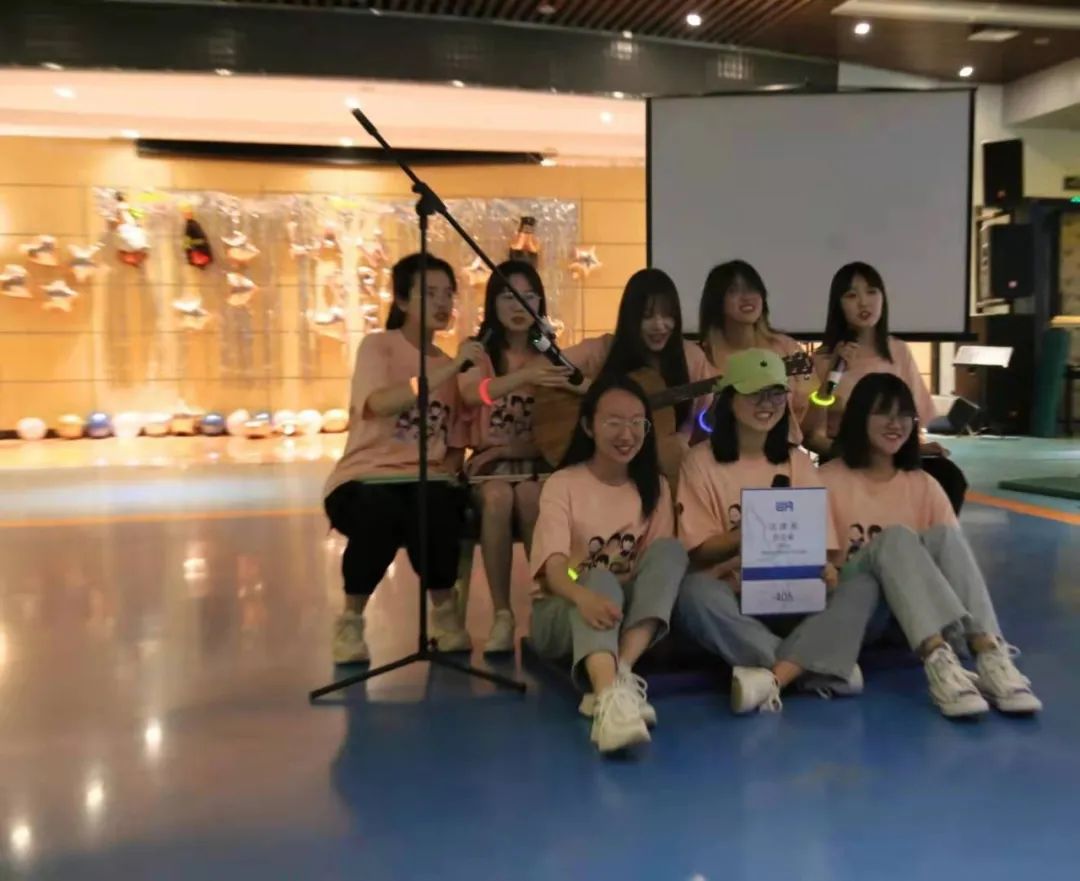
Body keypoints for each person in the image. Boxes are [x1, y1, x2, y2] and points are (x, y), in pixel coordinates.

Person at [820, 372, 1041, 717]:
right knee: (895, 539)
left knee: (945, 536)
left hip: (912, 618)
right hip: (859, 614)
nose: (896, 424)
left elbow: (952, 560)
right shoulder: (826, 480)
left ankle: (989, 654)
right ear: (860, 417)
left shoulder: (924, 484)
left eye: (904, 415)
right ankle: (937, 662)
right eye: (883, 413)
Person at [673, 349, 878, 714]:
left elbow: (819, 547)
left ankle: (774, 676)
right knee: (692, 594)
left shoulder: (797, 461)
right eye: (755, 394)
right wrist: (754, 529)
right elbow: (699, 552)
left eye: (776, 394)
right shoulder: (699, 462)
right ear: (729, 399)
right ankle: (819, 667)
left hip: (797, 595)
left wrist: (827, 571)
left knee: (861, 585)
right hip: (734, 595)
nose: (767, 404)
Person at [324, 253, 486, 664]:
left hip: (425, 481)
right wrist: (449, 371)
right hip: (365, 479)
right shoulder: (378, 347)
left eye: (448, 294)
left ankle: (445, 615)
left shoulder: (450, 365)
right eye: (430, 293)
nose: (443, 303)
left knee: (437, 506)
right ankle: (350, 622)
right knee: (380, 510)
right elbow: (380, 403)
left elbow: (455, 441)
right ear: (401, 299)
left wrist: (450, 474)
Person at [529, 374, 688, 753]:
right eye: (614, 422)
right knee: (598, 578)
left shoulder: (655, 488)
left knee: (671, 552)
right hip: (563, 610)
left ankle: (621, 676)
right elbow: (554, 571)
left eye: (637, 422)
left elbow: (654, 572)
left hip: (620, 616)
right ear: (589, 426)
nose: (627, 434)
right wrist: (582, 596)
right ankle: (610, 703)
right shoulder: (563, 483)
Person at [459, 260, 576, 653]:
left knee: (528, 496)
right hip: (488, 470)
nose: (519, 306)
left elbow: (561, 424)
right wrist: (525, 376)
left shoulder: (550, 353)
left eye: (529, 297)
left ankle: (546, 602)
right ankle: (502, 614)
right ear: (493, 303)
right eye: (509, 297)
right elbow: (473, 394)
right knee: (497, 497)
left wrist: (510, 448)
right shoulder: (477, 351)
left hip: (534, 463)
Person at [803, 261, 967, 512]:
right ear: (838, 305)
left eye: (872, 292)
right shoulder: (823, 360)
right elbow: (811, 436)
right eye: (851, 295)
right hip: (846, 455)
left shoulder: (898, 351)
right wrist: (832, 373)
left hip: (894, 454)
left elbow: (911, 419)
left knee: (949, 477)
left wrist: (916, 448)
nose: (864, 303)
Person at [563, 268, 713, 481]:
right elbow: (546, 365)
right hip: (609, 464)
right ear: (630, 318)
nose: (659, 325)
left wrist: (682, 440)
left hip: (668, 467)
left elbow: (700, 419)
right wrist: (593, 389)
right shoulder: (604, 349)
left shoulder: (692, 358)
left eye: (668, 315)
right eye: (647, 316)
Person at [698, 259, 815, 434]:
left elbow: (808, 416)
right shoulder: (701, 356)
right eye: (734, 291)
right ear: (717, 301)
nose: (747, 297)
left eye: (752, 289)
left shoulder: (786, 347)